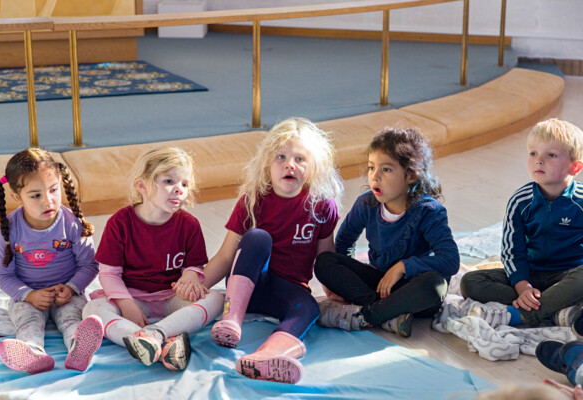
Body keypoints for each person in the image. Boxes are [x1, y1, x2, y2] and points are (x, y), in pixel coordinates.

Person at [175, 117, 343, 384]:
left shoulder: (321, 205)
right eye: (281, 157)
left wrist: (336, 291)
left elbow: (325, 257)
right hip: (247, 288)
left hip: (288, 290)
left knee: (309, 308)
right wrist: (199, 281)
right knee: (258, 237)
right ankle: (232, 321)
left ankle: (266, 356)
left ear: (314, 167)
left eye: (300, 159)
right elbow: (227, 255)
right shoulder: (254, 200)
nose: (290, 164)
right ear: (267, 164)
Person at [82, 147, 224, 371]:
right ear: (142, 186)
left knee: (216, 298)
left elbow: (193, 266)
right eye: (169, 181)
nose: (179, 189)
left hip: (171, 298)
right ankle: (140, 340)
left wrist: (190, 277)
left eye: (185, 184)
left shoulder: (189, 225)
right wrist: (126, 305)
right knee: (91, 309)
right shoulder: (120, 223)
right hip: (132, 298)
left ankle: (156, 334)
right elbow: (109, 274)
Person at [313, 127, 460, 337]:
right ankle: (388, 315)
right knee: (325, 262)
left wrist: (402, 267)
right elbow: (344, 243)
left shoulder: (429, 212)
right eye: (372, 168)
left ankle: (366, 316)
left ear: (411, 175)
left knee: (435, 284)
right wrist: (343, 283)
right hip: (378, 285)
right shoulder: (366, 203)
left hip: (411, 288)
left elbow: (451, 260)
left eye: (387, 169)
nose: (375, 176)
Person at [460, 119, 583, 328]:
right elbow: (511, 251)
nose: (539, 160)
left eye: (551, 155)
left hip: (568, 275)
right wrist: (522, 286)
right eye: (533, 153)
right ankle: (552, 309)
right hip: (530, 274)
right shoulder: (520, 201)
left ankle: (523, 314)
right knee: (470, 282)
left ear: (575, 166)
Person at [0, 148, 102, 374]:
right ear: (16, 197)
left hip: (67, 295)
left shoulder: (73, 224)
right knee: (28, 321)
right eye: (36, 195)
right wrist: (29, 295)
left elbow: (89, 265)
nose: (48, 200)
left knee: (72, 319)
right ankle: (33, 353)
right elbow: (3, 275)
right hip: (28, 296)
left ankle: (78, 348)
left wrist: (72, 288)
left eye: (53, 190)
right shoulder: (10, 229)